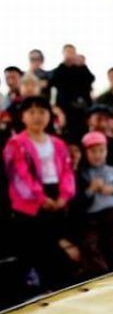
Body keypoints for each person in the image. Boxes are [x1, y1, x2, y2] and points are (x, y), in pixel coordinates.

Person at [3, 96, 76, 289]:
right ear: (23, 116)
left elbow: (67, 172)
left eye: (42, 112)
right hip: (29, 207)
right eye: (32, 112)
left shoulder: (58, 143)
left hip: (55, 198)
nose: (37, 117)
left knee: (54, 254)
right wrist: (41, 198)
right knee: (34, 252)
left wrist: (64, 195)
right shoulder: (15, 143)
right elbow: (20, 177)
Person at [75, 131, 113, 276]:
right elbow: (81, 198)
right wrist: (91, 189)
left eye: (101, 150)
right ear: (85, 153)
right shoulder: (83, 173)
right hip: (94, 216)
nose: (97, 155)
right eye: (93, 151)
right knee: (91, 244)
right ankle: (99, 274)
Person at [50, 44, 95, 141]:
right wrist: (64, 64)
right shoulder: (59, 70)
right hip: (65, 111)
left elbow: (90, 80)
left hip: (82, 111)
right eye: (68, 52)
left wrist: (83, 65)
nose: (70, 55)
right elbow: (53, 81)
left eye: (72, 52)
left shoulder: (81, 69)